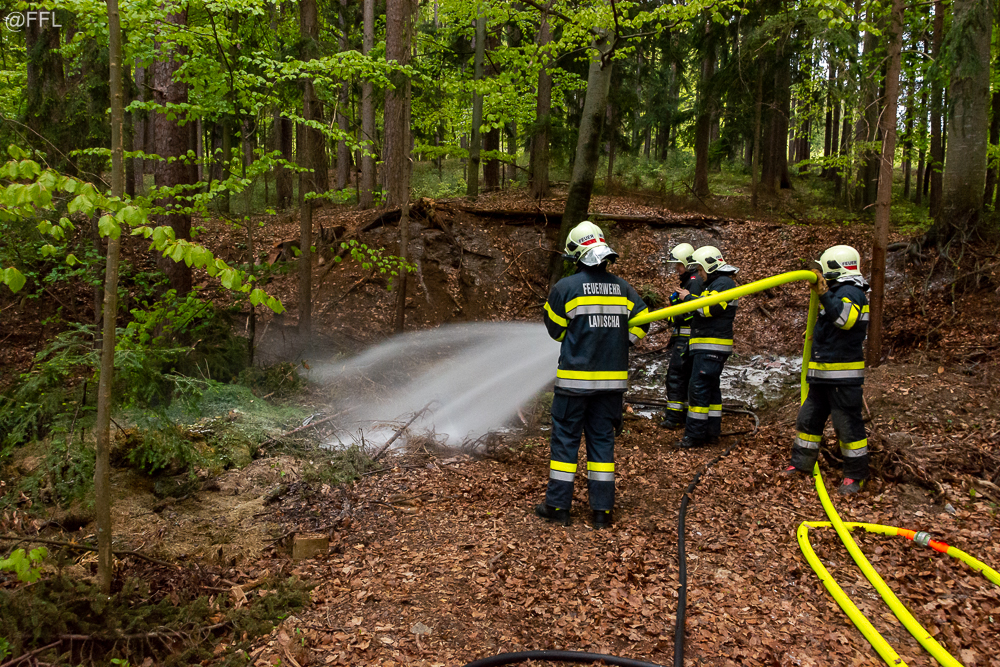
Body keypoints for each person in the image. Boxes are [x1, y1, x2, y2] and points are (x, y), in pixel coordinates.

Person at [537, 221, 650, 529]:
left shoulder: (565, 289)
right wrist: (621, 341)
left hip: (573, 385)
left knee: (565, 444)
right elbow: (644, 320)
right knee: (602, 443)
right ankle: (602, 512)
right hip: (611, 387)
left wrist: (581, 340)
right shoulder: (623, 288)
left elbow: (556, 331)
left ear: (576, 254)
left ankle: (558, 507)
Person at [784, 245, 870, 495]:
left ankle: (855, 476)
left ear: (835, 267)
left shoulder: (851, 292)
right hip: (822, 375)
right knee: (808, 420)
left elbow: (844, 320)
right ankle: (801, 464)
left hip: (842, 378)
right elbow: (833, 324)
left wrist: (823, 293)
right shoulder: (837, 292)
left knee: (847, 427)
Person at [675, 246, 739, 449]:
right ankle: (711, 432)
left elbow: (708, 308)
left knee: (699, 389)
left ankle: (694, 436)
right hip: (710, 347)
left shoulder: (723, 283)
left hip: (711, 346)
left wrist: (688, 298)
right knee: (710, 390)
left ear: (709, 267)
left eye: (701, 269)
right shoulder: (717, 284)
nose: (700, 273)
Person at [659, 243, 703, 430]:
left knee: (676, 376)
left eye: (679, 264)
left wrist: (671, 316)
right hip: (685, 339)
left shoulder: (693, 282)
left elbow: (690, 312)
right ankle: (681, 414)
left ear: (687, 263)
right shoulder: (691, 281)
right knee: (683, 377)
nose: (677, 268)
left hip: (686, 340)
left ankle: (674, 417)